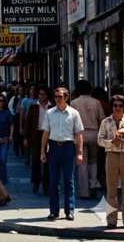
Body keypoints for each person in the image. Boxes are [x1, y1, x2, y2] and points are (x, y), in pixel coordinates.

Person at [40, 87, 84, 220]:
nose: (57, 99)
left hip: (68, 148)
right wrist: (43, 151)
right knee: (53, 181)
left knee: (68, 181)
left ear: (66, 97)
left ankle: (69, 210)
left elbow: (78, 134)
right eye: (56, 96)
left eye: (60, 96)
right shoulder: (49, 113)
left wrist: (80, 152)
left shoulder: (74, 113)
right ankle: (54, 211)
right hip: (53, 147)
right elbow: (46, 133)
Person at [97, 95, 124, 230]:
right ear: (111, 106)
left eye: (120, 105)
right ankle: (111, 220)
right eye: (115, 105)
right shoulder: (105, 122)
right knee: (111, 189)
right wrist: (111, 142)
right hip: (112, 155)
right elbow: (100, 140)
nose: (118, 108)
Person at [72, 80, 105, 199]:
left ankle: (84, 191)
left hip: (80, 134)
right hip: (94, 132)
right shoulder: (96, 102)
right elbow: (101, 119)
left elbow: (71, 121)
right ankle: (93, 184)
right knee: (93, 161)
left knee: (82, 163)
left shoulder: (74, 102)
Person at [24, 87, 52, 194]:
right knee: (35, 160)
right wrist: (26, 138)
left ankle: (46, 184)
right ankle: (36, 182)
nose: (42, 96)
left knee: (47, 161)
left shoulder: (52, 107)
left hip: (49, 135)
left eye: (44, 94)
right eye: (40, 94)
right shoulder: (33, 107)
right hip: (36, 135)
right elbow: (28, 122)